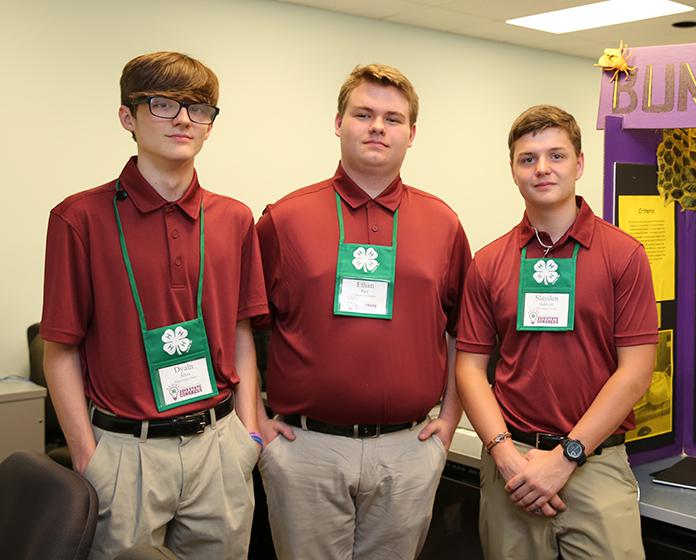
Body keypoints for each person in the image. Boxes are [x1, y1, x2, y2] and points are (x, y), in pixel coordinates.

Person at [40, 51, 267, 559]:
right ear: (128, 117)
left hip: (220, 446)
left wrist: (248, 434)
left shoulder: (234, 219)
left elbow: (241, 333)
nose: (184, 118)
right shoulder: (79, 219)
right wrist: (87, 456)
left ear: (210, 125)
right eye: (163, 104)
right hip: (125, 455)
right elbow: (59, 349)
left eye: (200, 108)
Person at [255, 63, 472, 559]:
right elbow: (243, 326)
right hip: (306, 449)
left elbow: (465, 330)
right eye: (364, 114)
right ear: (338, 123)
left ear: (412, 134)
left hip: (409, 448)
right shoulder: (284, 220)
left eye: (393, 119)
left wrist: (450, 416)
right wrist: (254, 421)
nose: (378, 127)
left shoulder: (443, 223)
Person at [455, 105, 658, 559]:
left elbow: (636, 372)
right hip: (514, 467)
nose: (542, 168)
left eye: (556, 156)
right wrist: (505, 455)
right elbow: (469, 369)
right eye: (528, 158)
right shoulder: (489, 263)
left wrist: (566, 457)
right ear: (512, 169)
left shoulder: (624, 255)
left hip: (596, 466)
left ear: (580, 164)